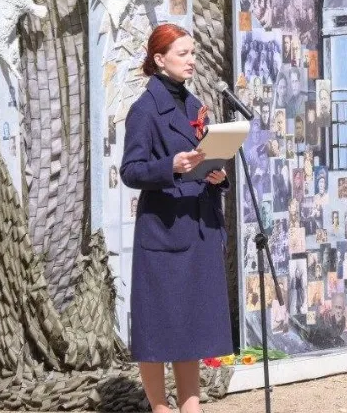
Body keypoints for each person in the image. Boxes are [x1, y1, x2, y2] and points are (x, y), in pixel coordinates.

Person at [120, 24, 231, 413]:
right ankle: (160, 407)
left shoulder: (194, 104)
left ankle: (191, 405)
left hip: (199, 228)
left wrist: (218, 175)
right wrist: (171, 166)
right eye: (183, 54)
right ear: (159, 59)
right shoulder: (144, 110)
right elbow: (131, 171)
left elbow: (205, 158)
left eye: (194, 54)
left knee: (191, 324)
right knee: (157, 326)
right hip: (164, 231)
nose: (191, 61)